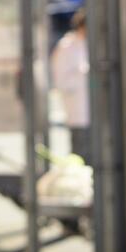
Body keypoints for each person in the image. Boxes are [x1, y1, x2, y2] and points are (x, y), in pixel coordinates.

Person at [50, 9, 90, 163]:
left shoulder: (87, 44)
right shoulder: (67, 47)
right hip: (78, 111)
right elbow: (61, 81)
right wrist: (81, 74)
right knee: (80, 154)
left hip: (92, 112)